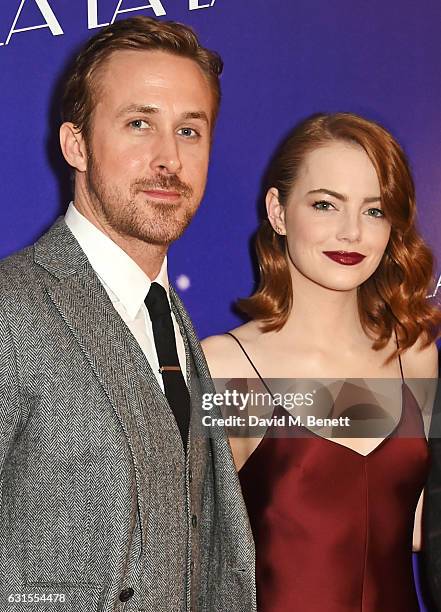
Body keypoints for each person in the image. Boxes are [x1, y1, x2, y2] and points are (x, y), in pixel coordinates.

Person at [0, 16, 255, 612]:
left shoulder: (174, 322)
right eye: (139, 124)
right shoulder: (11, 307)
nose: (169, 158)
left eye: (190, 131)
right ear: (76, 144)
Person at [202, 112, 440, 611]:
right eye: (326, 204)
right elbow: (189, 556)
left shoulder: (413, 355)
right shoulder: (228, 367)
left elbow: (419, 526)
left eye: (374, 211)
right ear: (279, 211)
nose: (351, 232)